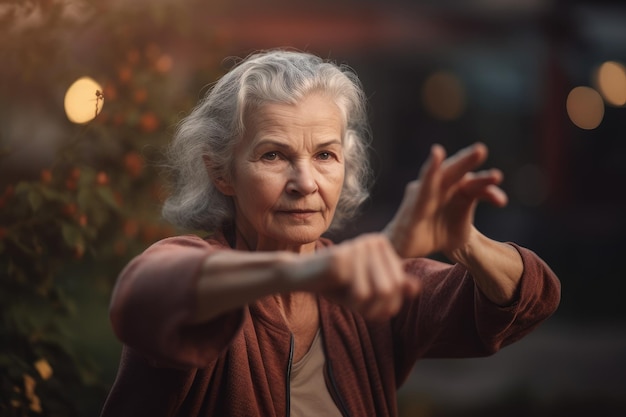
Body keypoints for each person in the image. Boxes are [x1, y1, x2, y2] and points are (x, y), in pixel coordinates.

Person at [100, 50, 560, 417]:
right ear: (221, 173)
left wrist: (466, 243)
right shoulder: (197, 268)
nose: (306, 182)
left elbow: (530, 297)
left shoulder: (364, 289)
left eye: (325, 155)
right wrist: (317, 271)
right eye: (274, 156)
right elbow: (141, 299)